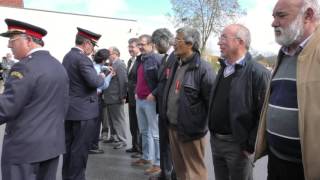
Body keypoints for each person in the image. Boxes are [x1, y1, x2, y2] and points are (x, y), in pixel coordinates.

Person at [255, 0, 320, 179]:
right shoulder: (284, 53)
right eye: (274, 16)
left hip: (306, 171)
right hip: (276, 162)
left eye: (281, 15)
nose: (273, 23)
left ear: (308, 15)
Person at [0, 18, 69, 180]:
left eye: (12, 40)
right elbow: (63, 104)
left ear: (29, 41)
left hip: (24, 148)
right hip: (51, 145)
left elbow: (7, 107)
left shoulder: (24, 66)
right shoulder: (57, 64)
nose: (9, 45)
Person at [208, 24, 270, 180]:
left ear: (240, 42)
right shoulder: (224, 68)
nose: (219, 42)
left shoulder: (258, 72)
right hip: (216, 142)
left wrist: (249, 145)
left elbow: (264, 113)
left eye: (224, 37)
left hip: (238, 146)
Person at [162, 27, 215, 180]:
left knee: (195, 173)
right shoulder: (176, 64)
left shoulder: (204, 68)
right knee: (180, 171)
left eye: (177, 41)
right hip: (173, 127)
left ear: (190, 43)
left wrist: (198, 125)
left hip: (191, 131)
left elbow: (210, 102)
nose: (173, 44)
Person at [62, 27, 106, 180]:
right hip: (83, 112)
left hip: (70, 110)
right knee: (80, 150)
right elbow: (94, 82)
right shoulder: (82, 59)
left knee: (69, 148)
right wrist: (101, 75)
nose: (93, 50)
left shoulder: (68, 56)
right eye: (93, 46)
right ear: (87, 43)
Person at [131, 34, 162, 176]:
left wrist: (154, 93)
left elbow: (163, 80)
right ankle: (146, 157)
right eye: (139, 44)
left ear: (151, 45)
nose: (140, 46)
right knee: (144, 131)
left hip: (151, 101)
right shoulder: (141, 59)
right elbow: (140, 78)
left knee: (155, 134)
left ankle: (158, 163)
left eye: (143, 44)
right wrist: (137, 91)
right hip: (140, 99)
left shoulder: (156, 59)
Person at [150, 28, 176, 180]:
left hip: (169, 109)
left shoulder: (174, 57)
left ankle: (168, 174)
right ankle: (164, 173)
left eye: (155, 43)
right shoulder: (166, 57)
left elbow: (168, 83)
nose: (155, 46)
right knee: (164, 144)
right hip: (162, 108)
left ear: (163, 41)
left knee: (169, 145)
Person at [89, 48, 115, 154]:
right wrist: (109, 76)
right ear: (104, 59)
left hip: (91, 97)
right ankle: (93, 146)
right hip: (96, 96)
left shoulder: (93, 65)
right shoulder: (97, 69)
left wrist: (105, 67)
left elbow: (99, 66)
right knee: (96, 123)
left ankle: (91, 144)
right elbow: (103, 85)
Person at [103, 46, 128, 149]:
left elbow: (123, 81)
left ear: (115, 54)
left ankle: (122, 140)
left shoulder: (120, 65)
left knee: (118, 120)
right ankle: (114, 137)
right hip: (109, 97)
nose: (108, 55)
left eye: (110, 53)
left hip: (116, 97)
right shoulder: (111, 65)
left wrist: (123, 96)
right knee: (111, 119)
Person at [126, 38, 142, 156]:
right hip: (131, 97)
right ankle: (135, 146)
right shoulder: (130, 61)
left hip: (139, 96)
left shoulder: (141, 60)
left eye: (132, 47)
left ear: (138, 47)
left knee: (140, 125)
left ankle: (141, 149)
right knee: (133, 124)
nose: (130, 49)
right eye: (129, 47)